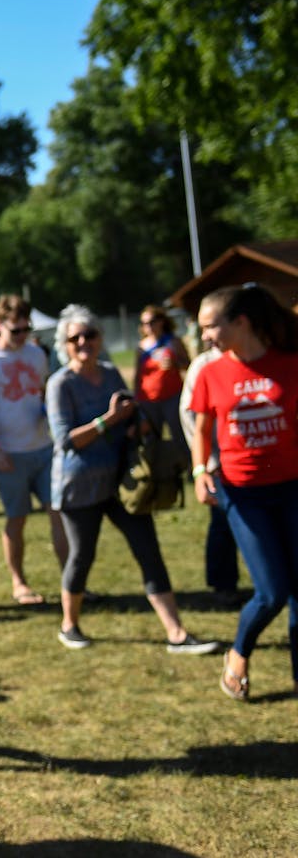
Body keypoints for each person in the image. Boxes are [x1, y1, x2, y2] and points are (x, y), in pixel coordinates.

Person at [46, 307, 219, 654]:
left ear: (100, 339)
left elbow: (132, 409)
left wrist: (135, 421)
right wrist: (108, 420)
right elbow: (66, 440)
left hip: (123, 481)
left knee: (148, 551)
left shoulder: (110, 373)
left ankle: (176, 633)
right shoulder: (60, 383)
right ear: (64, 345)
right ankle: (69, 624)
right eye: (75, 338)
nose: (83, 342)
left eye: (90, 335)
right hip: (78, 486)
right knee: (82, 556)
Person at [190, 284, 298, 701]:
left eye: (210, 326)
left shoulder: (288, 365)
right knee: (272, 592)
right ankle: (238, 654)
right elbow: (201, 428)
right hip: (242, 494)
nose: (205, 337)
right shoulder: (211, 371)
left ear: (241, 322)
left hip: (291, 488)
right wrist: (201, 470)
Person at [0, 294, 70, 606]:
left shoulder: (36, 354)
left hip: (43, 448)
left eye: (26, 330)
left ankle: (71, 581)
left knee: (60, 513)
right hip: (8, 453)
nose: (22, 337)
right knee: (17, 519)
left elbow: (40, 393)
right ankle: (19, 583)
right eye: (16, 331)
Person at [180, 337, 243, 606]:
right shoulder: (204, 365)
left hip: (252, 462)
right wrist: (206, 462)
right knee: (223, 525)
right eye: (204, 327)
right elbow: (190, 415)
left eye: (213, 325)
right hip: (219, 465)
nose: (207, 335)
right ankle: (222, 584)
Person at [134, 304, 191, 446]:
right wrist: (136, 398)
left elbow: (188, 365)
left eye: (152, 321)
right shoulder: (141, 347)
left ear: (161, 321)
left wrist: (175, 363)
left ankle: (185, 465)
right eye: (144, 323)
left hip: (172, 397)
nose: (148, 326)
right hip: (148, 400)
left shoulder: (173, 341)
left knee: (179, 435)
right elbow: (138, 374)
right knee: (152, 439)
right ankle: (160, 467)